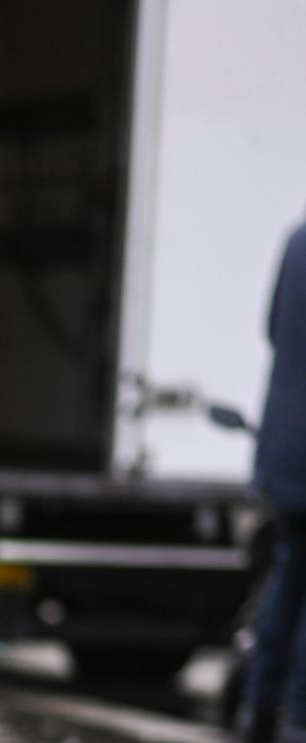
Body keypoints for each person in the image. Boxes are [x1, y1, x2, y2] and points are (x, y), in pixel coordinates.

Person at [239, 217, 306, 743]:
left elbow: (269, 325)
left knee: (289, 574)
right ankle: (298, 714)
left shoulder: (298, 238)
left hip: (285, 446)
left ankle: (259, 706)